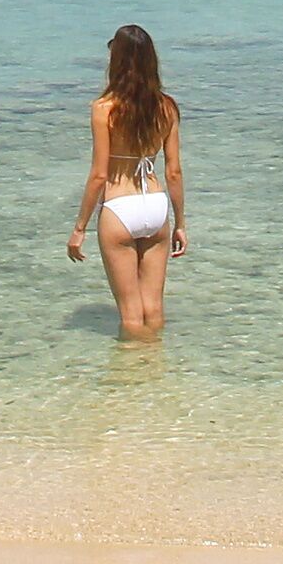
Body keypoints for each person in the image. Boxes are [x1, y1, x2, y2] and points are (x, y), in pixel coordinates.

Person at [64, 24, 188, 337]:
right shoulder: (167, 107)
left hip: (120, 206)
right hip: (156, 206)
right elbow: (173, 171)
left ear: (115, 61)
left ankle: (132, 380)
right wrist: (180, 224)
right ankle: (157, 374)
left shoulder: (104, 109)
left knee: (131, 315)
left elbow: (99, 174)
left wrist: (80, 228)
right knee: (153, 309)